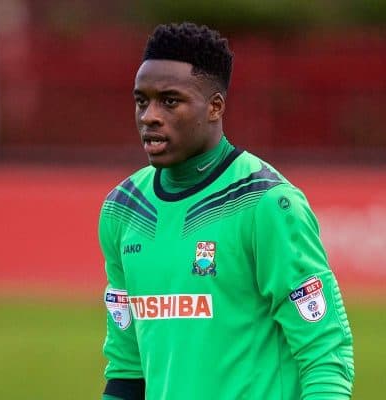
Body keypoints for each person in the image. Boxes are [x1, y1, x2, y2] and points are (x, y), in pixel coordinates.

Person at [98, 22, 354, 400]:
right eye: (142, 100)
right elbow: (127, 367)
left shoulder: (267, 204)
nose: (149, 115)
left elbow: (324, 352)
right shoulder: (124, 210)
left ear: (215, 107)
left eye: (169, 101)